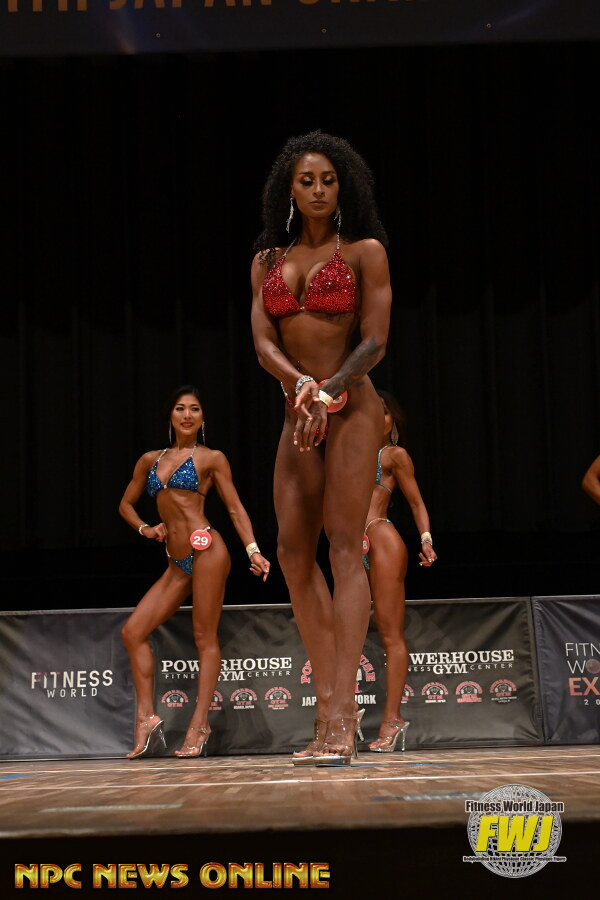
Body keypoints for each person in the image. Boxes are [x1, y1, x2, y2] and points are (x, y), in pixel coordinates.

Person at [251, 131, 392, 765]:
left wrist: (330, 389)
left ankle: (340, 714)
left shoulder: (364, 252)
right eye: (306, 180)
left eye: (328, 180)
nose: (317, 190)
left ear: (343, 188)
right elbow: (263, 342)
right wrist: (300, 386)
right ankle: (330, 697)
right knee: (289, 550)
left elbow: (376, 340)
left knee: (341, 544)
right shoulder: (266, 261)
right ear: (289, 188)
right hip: (298, 408)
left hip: (353, 406)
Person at [118, 385, 270, 759]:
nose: (187, 415)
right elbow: (125, 504)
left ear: (203, 418)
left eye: (195, 409)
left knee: (205, 637)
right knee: (132, 632)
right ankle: (146, 719)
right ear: (170, 415)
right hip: (176, 562)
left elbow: (234, 508)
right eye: (180, 408)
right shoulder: (149, 460)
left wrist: (253, 549)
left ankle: (199, 724)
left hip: (208, 551)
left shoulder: (211, 458)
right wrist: (145, 528)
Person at [362, 390, 437, 752]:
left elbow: (416, 502)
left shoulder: (393, 455)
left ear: (392, 421)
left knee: (390, 634)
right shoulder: (348, 455)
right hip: (353, 548)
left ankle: (392, 719)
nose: (377, 418)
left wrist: (426, 539)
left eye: (384, 412)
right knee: (348, 631)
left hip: (382, 540)